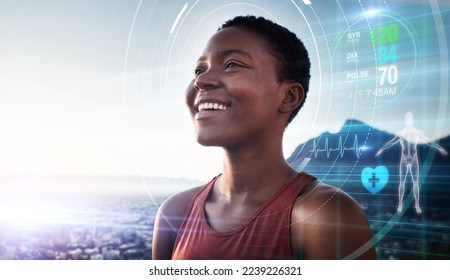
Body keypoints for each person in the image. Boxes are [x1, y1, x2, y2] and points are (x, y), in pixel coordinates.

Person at [152, 15, 375, 259]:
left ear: (288, 97)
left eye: (231, 64)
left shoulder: (324, 215)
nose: (201, 81)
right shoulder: (174, 213)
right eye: (198, 70)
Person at [375, 112, 448, 214]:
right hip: (404, 160)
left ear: (412, 119)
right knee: (402, 182)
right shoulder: (401, 133)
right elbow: (391, 142)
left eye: (410, 117)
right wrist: (381, 149)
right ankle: (400, 204)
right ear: (405, 119)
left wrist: (439, 148)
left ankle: (417, 205)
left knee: (416, 183)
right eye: (407, 117)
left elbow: (428, 141)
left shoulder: (417, 132)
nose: (409, 119)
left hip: (414, 159)